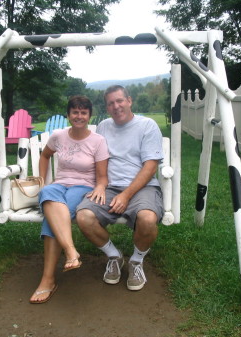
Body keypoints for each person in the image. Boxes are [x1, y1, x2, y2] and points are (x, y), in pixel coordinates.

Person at [76, 85, 164, 291]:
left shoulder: (147, 126)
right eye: (110, 103)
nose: (116, 106)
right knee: (84, 217)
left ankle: (136, 260)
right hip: (109, 187)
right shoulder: (104, 126)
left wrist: (126, 195)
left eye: (119, 101)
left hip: (143, 187)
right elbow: (99, 158)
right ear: (107, 108)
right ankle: (114, 256)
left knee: (148, 219)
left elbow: (150, 166)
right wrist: (100, 184)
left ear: (129, 101)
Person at [30, 95, 109, 304]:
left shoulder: (97, 141)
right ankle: (71, 250)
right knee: (46, 193)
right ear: (68, 115)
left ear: (89, 115)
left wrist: (100, 186)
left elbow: (102, 176)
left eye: (84, 112)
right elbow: (45, 155)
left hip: (82, 187)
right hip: (59, 184)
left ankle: (47, 281)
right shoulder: (58, 136)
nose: (79, 116)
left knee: (51, 217)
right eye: (75, 112)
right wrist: (42, 179)